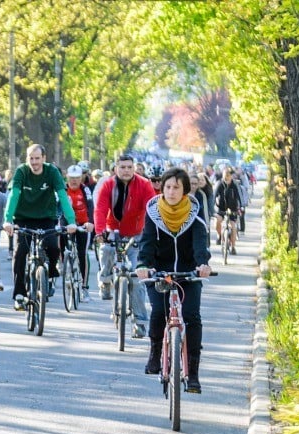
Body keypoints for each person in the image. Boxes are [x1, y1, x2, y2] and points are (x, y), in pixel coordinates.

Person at [135, 168, 211, 393]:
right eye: (167, 186)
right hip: (159, 273)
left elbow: (200, 243)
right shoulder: (153, 212)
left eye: (176, 187)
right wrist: (143, 266)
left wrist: (202, 264)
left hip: (188, 274)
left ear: (185, 190)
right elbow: (146, 241)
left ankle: (194, 373)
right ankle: (155, 353)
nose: (171, 191)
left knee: (192, 317)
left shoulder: (194, 213)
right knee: (159, 312)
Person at [1, 144, 76, 311]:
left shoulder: (52, 172)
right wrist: (7, 220)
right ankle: (19, 294)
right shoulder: (22, 171)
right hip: (23, 218)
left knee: (53, 247)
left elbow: (63, 196)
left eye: (37, 158)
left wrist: (71, 221)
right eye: (31, 158)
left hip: (46, 217)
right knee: (20, 252)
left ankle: (48, 277)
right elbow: (14, 195)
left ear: (44, 158)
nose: (34, 162)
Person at [93, 153, 153, 338]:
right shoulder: (108, 185)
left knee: (136, 278)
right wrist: (100, 231)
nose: (126, 171)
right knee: (106, 250)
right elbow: (101, 209)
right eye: (122, 167)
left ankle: (140, 322)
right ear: (116, 168)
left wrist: (151, 234)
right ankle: (105, 280)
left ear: (134, 168)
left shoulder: (144, 184)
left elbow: (151, 208)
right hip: (114, 229)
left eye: (129, 167)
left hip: (136, 233)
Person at [63, 164, 96, 300]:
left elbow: (90, 206)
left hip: (83, 223)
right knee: (62, 245)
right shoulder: (63, 189)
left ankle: (84, 287)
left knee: (82, 253)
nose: (74, 181)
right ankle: (63, 265)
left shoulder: (86, 189)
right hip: (67, 223)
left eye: (77, 178)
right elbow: (58, 207)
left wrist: (90, 222)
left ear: (81, 178)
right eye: (71, 178)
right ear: (67, 178)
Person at [213, 167, 242, 252]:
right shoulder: (219, 184)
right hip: (221, 208)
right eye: (225, 175)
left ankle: (233, 247)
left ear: (231, 176)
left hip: (232, 209)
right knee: (217, 222)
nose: (226, 177)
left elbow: (240, 197)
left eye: (228, 175)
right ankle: (219, 235)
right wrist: (212, 208)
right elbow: (214, 196)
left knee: (233, 227)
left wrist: (241, 207)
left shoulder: (235, 185)